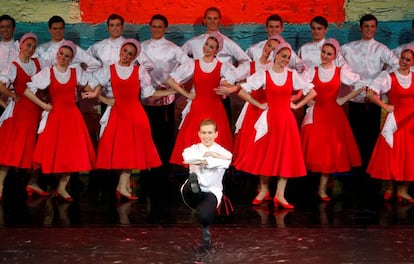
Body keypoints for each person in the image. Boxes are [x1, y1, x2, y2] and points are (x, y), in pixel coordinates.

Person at [83, 38, 175, 201]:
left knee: (132, 150)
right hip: (118, 113)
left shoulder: (139, 71)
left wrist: (172, 92)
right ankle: (122, 185)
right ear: (121, 50)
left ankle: (123, 185)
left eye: (130, 53)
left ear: (134, 57)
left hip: (135, 113)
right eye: (125, 51)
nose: (126, 55)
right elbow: (91, 85)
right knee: (121, 150)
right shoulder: (108, 69)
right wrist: (104, 99)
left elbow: (148, 93)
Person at [235, 42, 316, 209]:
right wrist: (258, 104)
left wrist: (297, 106)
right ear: (276, 55)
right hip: (270, 120)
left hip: (286, 121)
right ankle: (264, 190)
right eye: (283, 56)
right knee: (267, 154)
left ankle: (280, 194)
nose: (286, 59)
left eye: (288, 57)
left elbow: (312, 91)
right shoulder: (264, 75)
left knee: (285, 155)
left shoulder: (292, 75)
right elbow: (242, 90)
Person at [24, 40, 96, 202]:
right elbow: (27, 90)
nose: (62, 57)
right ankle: (36, 182)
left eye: (66, 55)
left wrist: (95, 93)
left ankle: (62, 187)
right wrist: (43, 105)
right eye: (60, 54)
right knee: (49, 151)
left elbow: (92, 86)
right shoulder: (47, 72)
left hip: (72, 117)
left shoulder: (76, 73)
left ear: (71, 59)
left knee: (72, 152)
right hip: (55, 116)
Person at [300, 38, 364, 201]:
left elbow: (360, 85)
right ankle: (321, 185)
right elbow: (299, 85)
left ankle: (322, 188)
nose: (325, 56)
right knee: (316, 151)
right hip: (317, 114)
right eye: (323, 52)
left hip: (333, 116)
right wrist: (309, 101)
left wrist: (344, 99)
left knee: (329, 152)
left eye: (329, 54)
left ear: (335, 56)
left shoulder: (340, 71)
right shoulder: (312, 71)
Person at [340, 14, 399, 171]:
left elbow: (395, 65)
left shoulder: (381, 49)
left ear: (376, 28)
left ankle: (370, 169)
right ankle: (355, 167)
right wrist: (356, 81)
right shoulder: (348, 48)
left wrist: (377, 84)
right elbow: (339, 63)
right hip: (354, 97)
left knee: (372, 134)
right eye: (366, 26)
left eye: (372, 26)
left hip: (372, 99)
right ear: (360, 28)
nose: (369, 29)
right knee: (354, 133)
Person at [167, 33, 237, 166]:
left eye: (211, 47)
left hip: (215, 108)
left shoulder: (222, 66)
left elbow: (233, 82)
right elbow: (171, 80)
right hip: (198, 107)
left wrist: (230, 88)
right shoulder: (194, 64)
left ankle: (213, 178)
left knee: (216, 140)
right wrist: (186, 94)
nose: (207, 48)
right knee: (195, 138)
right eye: (206, 45)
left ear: (216, 50)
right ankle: (195, 177)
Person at [232, 35, 283, 205]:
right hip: (253, 109)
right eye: (269, 46)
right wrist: (233, 85)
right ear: (264, 46)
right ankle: (261, 186)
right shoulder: (252, 65)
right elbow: (234, 79)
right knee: (253, 148)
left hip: (270, 110)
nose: (270, 50)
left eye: (275, 49)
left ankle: (267, 187)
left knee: (269, 148)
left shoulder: (278, 68)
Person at [0, 33, 50, 201]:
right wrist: (12, 95)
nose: (30, 49)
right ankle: (0, 183)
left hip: (36, 110)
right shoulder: (13, 66)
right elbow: (1, 84)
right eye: (28, 45)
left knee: (36, 147)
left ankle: (33, 182)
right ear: (21, 45)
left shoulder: (38, 63)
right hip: (21, 112)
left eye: (33, 47)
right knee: (12, 147)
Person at [181, 6, 251, 123]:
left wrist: (233, 77)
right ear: (204, 20)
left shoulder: (228, 43)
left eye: (215, 18)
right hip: (200, 94)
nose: (212, 21)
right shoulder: (194, 43)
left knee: (221, 128)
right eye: (209, 18)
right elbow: (179, 58)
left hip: (221, 93)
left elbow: (246, 61)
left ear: (219, 21)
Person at [141, 14, 191, 172]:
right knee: (147, 134)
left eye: (160, 27)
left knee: (166, 135)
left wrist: (174, 80)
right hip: (145, 96)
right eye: (154, 26)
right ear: (150, 27)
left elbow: (189, 64)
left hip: (166, 97)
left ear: (165, 28)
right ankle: (147, 168)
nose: (156, 29)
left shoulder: (173, 48)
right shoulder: (141, 47)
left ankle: (165, 169)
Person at [366, 45, 414, 203]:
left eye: (408, 59)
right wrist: (385, 106)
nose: (404, 62)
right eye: (402, 58)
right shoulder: (388, 76)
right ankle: (389, 187)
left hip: (411, 121)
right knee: (392, 153)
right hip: (395, 120)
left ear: (412, 62)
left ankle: (403, 190)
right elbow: (371, 93)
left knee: (409, 155)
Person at [180, 119, 232, 248]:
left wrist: (205, 161)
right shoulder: (192, 149)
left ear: (216, 134)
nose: (206, 136)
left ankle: (205, 229)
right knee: (193, 187)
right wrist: (209, 154)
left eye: (209, 133)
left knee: (204, 216)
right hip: (191, 192)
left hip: (211, 192)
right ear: (199, 134)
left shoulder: (224, 152)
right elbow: (187, 157)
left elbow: (226, 162)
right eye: (203, 133)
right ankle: (194, 184)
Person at [35, 15, 101, 72]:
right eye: (55, 29)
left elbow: (95, 64)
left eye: (60, 28)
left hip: (69, 84)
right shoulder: (41, 49)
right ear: (49, 30)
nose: (58, 31)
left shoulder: (73, 48)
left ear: (64, 29)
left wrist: (81, 77)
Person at [0, 15, 19, 110]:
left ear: (14, 28)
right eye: (2, 27)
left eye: (8, 26)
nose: (5, 30)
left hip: (15, 96)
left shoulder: (20, 49)